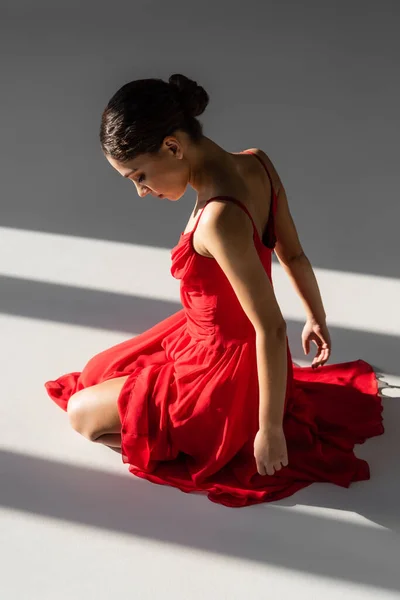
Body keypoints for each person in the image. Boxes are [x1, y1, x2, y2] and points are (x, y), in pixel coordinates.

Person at [45, 73, 384, 507]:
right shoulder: (257, 163)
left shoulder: (219, 219)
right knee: (95, 374)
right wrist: (316, 315)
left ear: (172, 146)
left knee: (82, 416)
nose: (141, 192)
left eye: (140, 176)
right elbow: (293, 255)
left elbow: (272, 329)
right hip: (200, 335)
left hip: (222, 371)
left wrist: (270, 430)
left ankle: (214, 432)